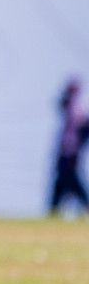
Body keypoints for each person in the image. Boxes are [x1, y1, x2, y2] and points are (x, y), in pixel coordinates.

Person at [50, 78, 89, 215]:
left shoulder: (76, 108)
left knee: (72, 181)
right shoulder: (70, 107)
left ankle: (85, 205)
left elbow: (82, 131)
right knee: (61, 183)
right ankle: (53, 209)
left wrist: (75, 152)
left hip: (70, 154)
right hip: (65, 153)